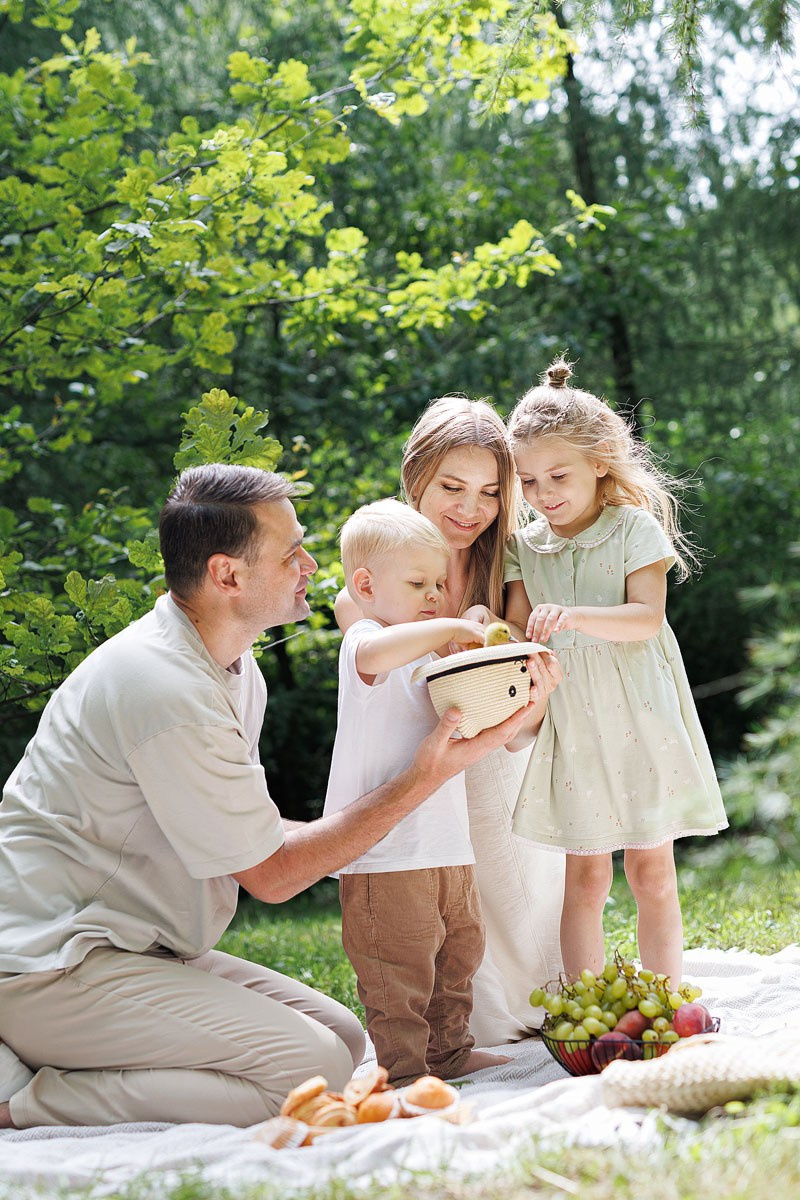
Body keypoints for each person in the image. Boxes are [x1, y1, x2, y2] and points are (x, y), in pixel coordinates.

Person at [0, 464, 539, 1131]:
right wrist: (424, 776)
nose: (312, 564)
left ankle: (65, 1056)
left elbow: (252, 834)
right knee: (306, 1073)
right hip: (51, 965)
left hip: (136, 948)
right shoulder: (163, 689)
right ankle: (20, 1099)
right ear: (229, 575)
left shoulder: (228, 662)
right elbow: (273, 875)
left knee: (342, 1040)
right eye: (292, 554)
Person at [334, 398, 566, 1045]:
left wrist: (535, 693)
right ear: (416, 479)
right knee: (438, 906)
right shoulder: (378, 575)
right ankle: (467, 1019)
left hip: (495, 744)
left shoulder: (506, 562)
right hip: (418, 760)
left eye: (491, 492)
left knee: (507, 860)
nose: (472, 508)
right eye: (453, 488)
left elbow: (516, 702)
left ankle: (536, 987)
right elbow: (371, 661)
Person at [501, 356, 728, 984]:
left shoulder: (632, 527)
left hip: (640, 714)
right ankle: (585, 1013)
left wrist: (572, 617)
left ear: (601, 462)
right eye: (527, 480)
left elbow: (645, 619)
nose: (543, 494)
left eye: (558, 475)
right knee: (587, 875)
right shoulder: (524, 545)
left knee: (651, 871)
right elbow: (517, 626)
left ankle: (665, 1004)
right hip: (574, 722)